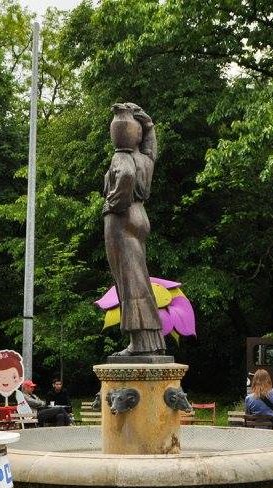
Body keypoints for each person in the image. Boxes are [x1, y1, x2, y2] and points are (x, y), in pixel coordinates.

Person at [103, 102, 165, 357]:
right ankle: (151, 341)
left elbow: (126, 175)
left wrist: (114, 201)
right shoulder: (145, 159)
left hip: (122, 217)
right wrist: (148, 124)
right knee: (139, 279)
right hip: (140, 216)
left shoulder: (122, 156)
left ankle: (139, 343)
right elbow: (152, 149)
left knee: (129, 283)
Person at [0, 349, 32, 421]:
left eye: (13, 377)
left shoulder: (17, 394)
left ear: (20, 378)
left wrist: (28, 416)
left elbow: (24, 408)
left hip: (15, 422)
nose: (5, 380)